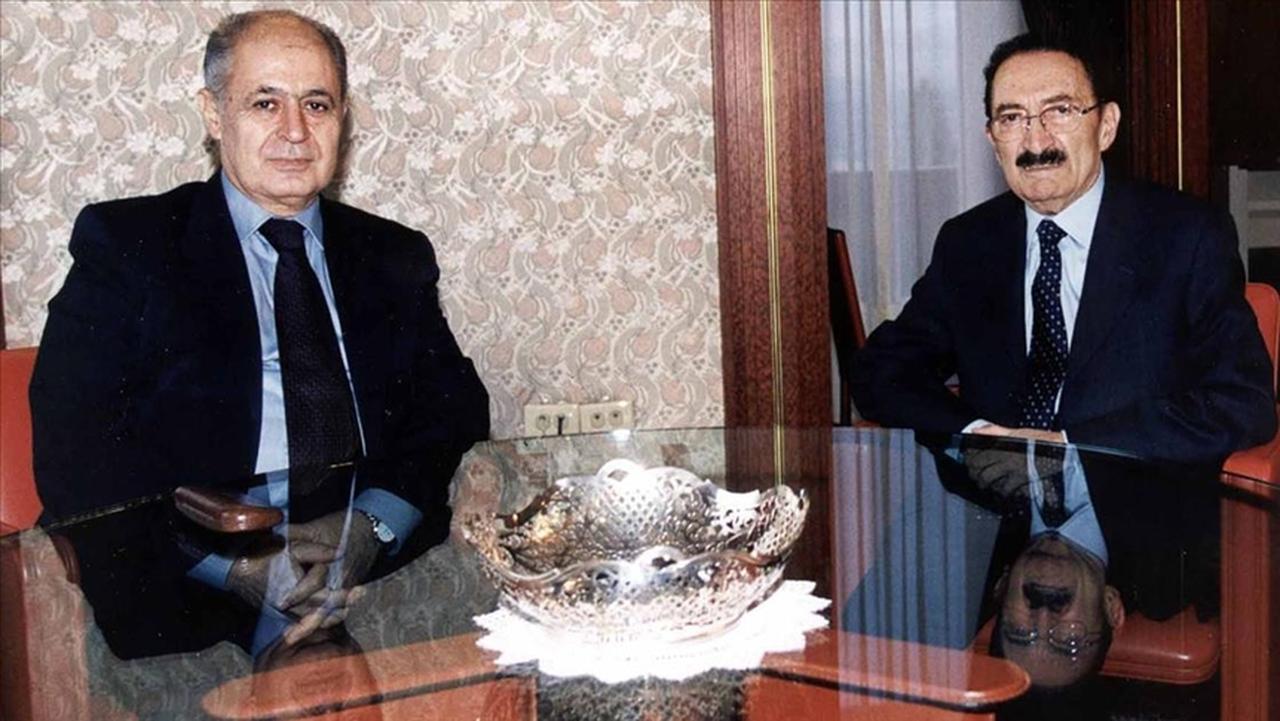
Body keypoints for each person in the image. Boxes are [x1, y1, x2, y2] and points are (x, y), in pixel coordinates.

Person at [29, 9, 488, 654]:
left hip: (374, 581)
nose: (295, 132)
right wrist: (235, 567)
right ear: (214, 116)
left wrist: (369, 528)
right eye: (265, 103)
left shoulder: (391, 254)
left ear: (343, 118)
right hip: (186, 588)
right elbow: (77, 449)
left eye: (317, 105)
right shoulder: (131, 246)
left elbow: (452, 414)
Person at [851, 32, 1276, 464]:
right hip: (996, 514)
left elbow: (1244, 401)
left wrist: (1070, 446)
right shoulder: (969, 243)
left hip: (1134, 512)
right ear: (992, 139)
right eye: (1012, 118)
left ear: (1106, 126)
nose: (1036, 142)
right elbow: (882, 370)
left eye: (1060, 111)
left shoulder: (1186, 236)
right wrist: (976, 435)